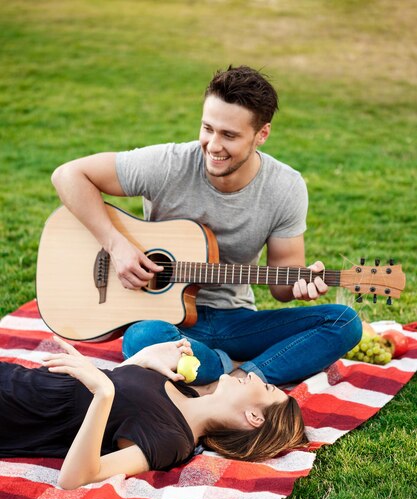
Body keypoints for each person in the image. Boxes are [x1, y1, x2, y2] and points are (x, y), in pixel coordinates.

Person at [51, 65, 362, 386]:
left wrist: (301, 287)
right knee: (143, 338)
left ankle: (240, 376)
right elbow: (68, 175)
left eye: (229, 135)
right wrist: (115, 244)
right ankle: (237, 368)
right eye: (207, 128)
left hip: (235, 321)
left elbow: (281, 287)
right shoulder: (169, 163)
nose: (213, 145)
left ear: (262, 134)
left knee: (344, 321)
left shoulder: (286, 187)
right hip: (161, 320)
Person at [0, 337, 307, 490]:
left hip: (12, 411)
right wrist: (141, 359)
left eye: (265, 388)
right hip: (15, 378)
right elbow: (121, 397)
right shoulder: (182, 387)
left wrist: (103, 392)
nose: (254, 376)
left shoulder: (172, 441)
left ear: (255, 418)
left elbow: (76, 478)